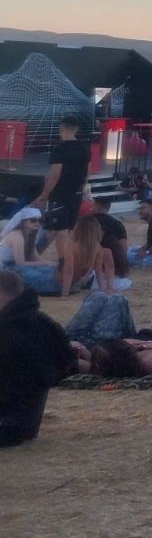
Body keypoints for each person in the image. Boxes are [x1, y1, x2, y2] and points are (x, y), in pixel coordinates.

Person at [0, 270, 76, 446]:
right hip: (27, 422)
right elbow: (67, 361)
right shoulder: (43, 323)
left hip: (8, 421)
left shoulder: (9, 331)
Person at [30, 116, 90, 254]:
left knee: (59, 229)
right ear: (77, 129)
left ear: (61, 128)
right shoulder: (84, 149)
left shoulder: (60, 149)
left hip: (61, 193)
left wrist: (44, 195)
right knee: (67, 228)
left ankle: (63, 261)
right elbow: (87, 173)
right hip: (76, 192)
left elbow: (54, 176)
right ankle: (39, 254)